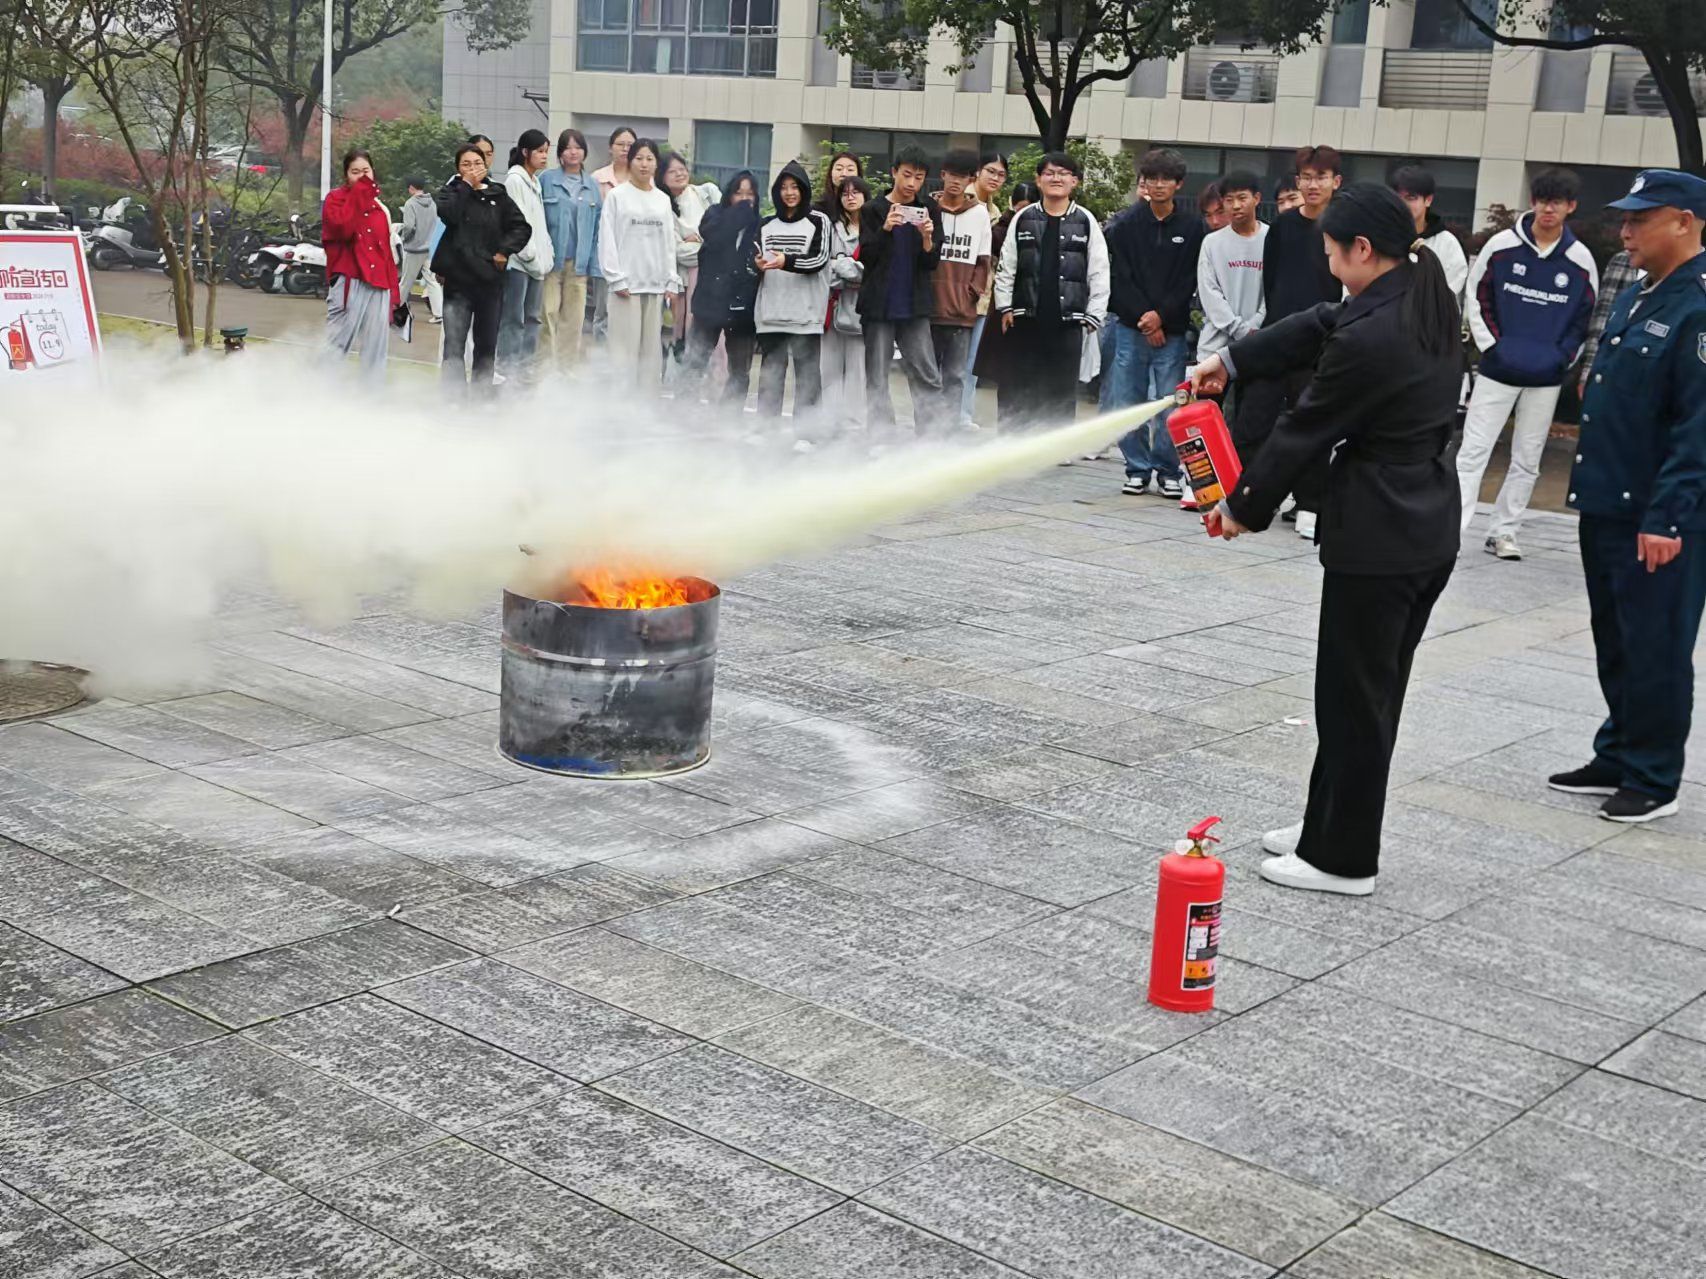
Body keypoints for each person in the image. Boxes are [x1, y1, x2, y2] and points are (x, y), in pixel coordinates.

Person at [1190, 182, 1464, 895]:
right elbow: (1318, 322)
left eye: (1333, 251)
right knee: (1361, 693)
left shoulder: (1376, 335)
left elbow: (1305, 426)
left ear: (1362, 249)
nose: (1328, 263)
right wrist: (1234, 361)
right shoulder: (1416, 289)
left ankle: (1343, 858)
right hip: (1420, 522)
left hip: (1381, 535)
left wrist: (1242, 507)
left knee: (1355, 698)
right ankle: (1328, 821)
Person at [1547, 169, 1706, 824]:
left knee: (1656, 645)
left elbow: (1697, 427)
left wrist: (1668, 516)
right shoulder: (1643, 292)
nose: (1625, 230)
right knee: (1616, 638)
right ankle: (1617, 750)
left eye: (1641, 219)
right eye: (1625, 218)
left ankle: (1653, 775)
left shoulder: (1697, 305)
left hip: (1657, 514)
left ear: (1685, 222)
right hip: (1608, 500)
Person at [1456, 168, 1599, 560]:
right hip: (1497, 369)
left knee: (1527, 459)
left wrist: (1560, 358)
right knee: (1473, 452)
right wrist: (1492, 347)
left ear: (1571, 206)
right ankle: (1452, 530)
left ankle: (1503, 532)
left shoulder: (1580, 260)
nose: (1548, 209)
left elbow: (1583, 320)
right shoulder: (1502, 246)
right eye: (1542, 200)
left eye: (1557, 202)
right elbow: (1477, 294)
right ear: (1533, 202)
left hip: (1546, 377)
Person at [1244, 144, 1345, 540]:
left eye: (1321, 177)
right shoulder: (1283, 227)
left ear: (1336, 181)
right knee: (1254, 421)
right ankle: (1251, 496)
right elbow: (1271, 282)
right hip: (1277, 338)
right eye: (1306, 177)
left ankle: (1309, 504)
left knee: (1311, 426)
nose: (1312, 185)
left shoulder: (1343, 228)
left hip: (1321, 345)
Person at [1106, 147, 1203, 498]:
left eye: (1166, 179)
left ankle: (1167, 469)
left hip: (1172, 331)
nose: (1159, 185)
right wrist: (1145, 318)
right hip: (1130, 327)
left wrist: (1161, 316)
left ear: (1179, 184)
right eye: (1152, 178)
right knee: (1127, 401)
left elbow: (1188, 279)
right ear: (1143, 182)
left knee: (1170, 402)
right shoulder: (1125, 224)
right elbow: (1120, 277)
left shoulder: (1193, 227)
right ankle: (1136, 468)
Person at [993, 151, 1110, 431]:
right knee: (1020, 386)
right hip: (1025, 318)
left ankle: (1058, 444)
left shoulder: (1085, 220)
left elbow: (1099, 271)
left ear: (1075, 181)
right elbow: (1007, 265)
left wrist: (1094, 315)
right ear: (1038, 180)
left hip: (1068, 321)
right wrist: (1005, 306)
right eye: (1049, 173)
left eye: (1063, 174)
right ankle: (1015, 440)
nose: (1056, 178)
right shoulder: (1023, 217)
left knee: (1061, 391)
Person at [859, 144, 945, 436]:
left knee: (926, 373)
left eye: (919, 177)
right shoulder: (873, 209)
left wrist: (927, 238)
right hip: (879, 304)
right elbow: (867, 257)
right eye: (907, 175)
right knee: (877, 376)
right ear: (894, 172)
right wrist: (885, 229)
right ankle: (881, 435)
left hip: (914, 304)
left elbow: (932, 262)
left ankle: (930, 435)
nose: (911, 183)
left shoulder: (929, 209)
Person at [433, 143, 531, 391]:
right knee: (454, 344)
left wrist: (504, 251)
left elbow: (521, 227)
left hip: (490, 281)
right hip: (458, 280)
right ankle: (453, 396)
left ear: (486, 165)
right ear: (458, 169)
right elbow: (450, 215)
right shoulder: (449, 193)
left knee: (486, 344)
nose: (473, 168)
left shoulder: (499, 194)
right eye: (466, 164)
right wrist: (466, 185)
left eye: (477, 163)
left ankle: (481, 395)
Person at [598, 138, 682, 391]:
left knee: (650, 354)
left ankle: (646, 403)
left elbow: (668, 242)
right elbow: (607, 238)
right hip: (626, 286)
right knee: (623, 352)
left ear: (656, 164)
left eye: (650, 159)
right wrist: (616, 278)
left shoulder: (662, 199)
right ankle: (620, 403)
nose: (644, 164)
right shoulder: (617, 196)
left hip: (654, 286)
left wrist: (671, 279)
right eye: (639, 158)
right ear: (630, 161)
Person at [754, 160, 832, 426]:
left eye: (795, 187)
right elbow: (754, 261)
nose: (789, 193)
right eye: (784, 187)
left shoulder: (819, 221)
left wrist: (785, 261)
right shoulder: (766, 224)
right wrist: (756, 265)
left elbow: (819, 259)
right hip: (771, 312)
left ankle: (807, 433)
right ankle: (765, 429)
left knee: (808, 377)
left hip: (806, 315)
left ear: (804, 189)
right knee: (770, 376)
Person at [320, 148, 401, 382]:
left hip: (379, 284)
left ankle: (371, 394)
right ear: (346, 175)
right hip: (350, 278)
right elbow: (342, 229)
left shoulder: (380, 208)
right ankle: (319, 391)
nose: (362, 176)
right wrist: (358, 195)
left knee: (376, 347)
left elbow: (386, 254)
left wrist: (394, 295)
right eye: (355, 172)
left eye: (366, 171)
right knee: (336, 342)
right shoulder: (335, 199)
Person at [683, 172, 763, 408]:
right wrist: (739, 214)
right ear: (729, 194)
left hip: (742, 308)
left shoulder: (760, 225)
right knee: (695, 361)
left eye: (750, 194)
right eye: (739, 193)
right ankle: (682, 410)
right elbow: (715, 237)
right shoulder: (714, 215)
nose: (744, 199)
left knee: (740, 370)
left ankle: (729, 416)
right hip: (710, 303)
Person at [1196, 170, 1267, 434]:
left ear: (1256, 198)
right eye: (1229, 200)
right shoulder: (1212, 243)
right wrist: (1240, 330)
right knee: (1206, 426)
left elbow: (1273, 291)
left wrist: (1255, 327)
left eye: (1242, 198)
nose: (1235, 205)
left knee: (1249, 427)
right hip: (1214, 347)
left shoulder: (1272, 238)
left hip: (1258, 346)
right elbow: (1209, 293)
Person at [931, 150, 993, 432]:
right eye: (951, 175)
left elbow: (984, 261)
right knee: (927, 375)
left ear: (971, 179)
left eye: (963, 176)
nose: (956, 181)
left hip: (961, 312)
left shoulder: (980, 214)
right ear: (943, 174)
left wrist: (972, 293)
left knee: (956, 375)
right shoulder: (928, 208)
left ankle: (949, 430)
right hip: (928, 308)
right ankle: (927, 429)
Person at [539, 128, 602, 371]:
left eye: (578, 147)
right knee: (547, 314)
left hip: (579, 264)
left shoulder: (592, 186)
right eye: (567, 148)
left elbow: (597, 229)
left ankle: (566, 372)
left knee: (573, 320)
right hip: (551, 262)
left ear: (584, 152)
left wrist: (593, 265)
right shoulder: (547, 180)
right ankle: (544, 368)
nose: (573, 152)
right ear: (560, 153)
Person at [497, 128, 555, 384]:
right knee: (514, 318)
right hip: (519, 263)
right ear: (525, 152)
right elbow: (517, 223)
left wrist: (546, 255)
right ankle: (507, 366)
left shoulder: (535, 182)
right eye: (540, 151)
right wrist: (530, 255)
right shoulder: (514, 181)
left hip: (536, 265)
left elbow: (539, 224)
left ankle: (525, 367)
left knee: (533, 318)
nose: (544, 156)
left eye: (546, 151)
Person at [970, 182, 1036, 401]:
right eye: (1020, 207)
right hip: (1005, 304)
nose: (1023, 212)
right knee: (1006, 369)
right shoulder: (999, 231)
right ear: (1012, 204)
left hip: (1033, 303)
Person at [959, 150, 1009, 429]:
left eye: (1001, 174)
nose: (995, 178)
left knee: (971, 361)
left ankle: (963, 415)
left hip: (984, 296)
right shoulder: (963, 201)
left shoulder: (995, 211)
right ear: (977, 171)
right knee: (954, 360)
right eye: (991, 171)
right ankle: (949, 415)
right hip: (959, 292)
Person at [661, 152, 719, 376]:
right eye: (672, 171)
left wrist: (698, 240)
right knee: (682, 333)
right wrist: (707, 244)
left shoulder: (706, 193)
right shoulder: (663, 205)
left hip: (711, 279)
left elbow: (723, 234)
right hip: (681, 283)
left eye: (682, 169)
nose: (679, 174)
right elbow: (677, 251)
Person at [823, 175, 869, 433]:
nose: (850, 197)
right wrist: (849, 270)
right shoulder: (830, 228)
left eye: (855, 192)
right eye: (844, 193)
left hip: (863, 310)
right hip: (833, 306)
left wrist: (841, 265)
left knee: (857, 370)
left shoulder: (875, 228)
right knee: (828, 367)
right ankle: (829, 421)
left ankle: (854, 425)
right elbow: (824, 269)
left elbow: (872, 271)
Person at [1390, 165, 1468, 304]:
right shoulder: (1380, 237)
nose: (1402, 204)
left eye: (1411, 198)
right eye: (1397, 198)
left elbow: (1449, 293)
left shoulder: (1447, 243)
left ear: (1428, 200)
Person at [1577, 247, 1642, 398]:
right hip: (1610, 369)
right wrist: (1588, 369)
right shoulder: (1624, 260)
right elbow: (1602, 316)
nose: (1625, 236)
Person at [590, 126, 636, 340]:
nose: (625, 149)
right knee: (603, 311)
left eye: (630, 145)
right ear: (610, 148)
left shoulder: (643, 179)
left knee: (630, 312)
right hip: (605, 255)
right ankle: (601, 357)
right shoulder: (597, 178)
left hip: (634, 257)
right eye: (620, 144)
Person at [397, 175, 443, 325]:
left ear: (411, 187)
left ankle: (395, 309)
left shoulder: (410, 203)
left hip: (414, 249)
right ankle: (439, 313)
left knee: (406, 281)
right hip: (429, 248)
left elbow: (409, 226)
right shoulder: (432, 203)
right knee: (432, 281)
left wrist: (404, 238)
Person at [815, 151, 863, 221]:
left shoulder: (869, 209)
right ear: (831, 173)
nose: (844, 174)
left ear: (858, 174)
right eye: (839, 169)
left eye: (850, 170)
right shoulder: (818, 211)